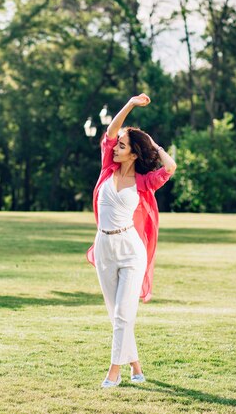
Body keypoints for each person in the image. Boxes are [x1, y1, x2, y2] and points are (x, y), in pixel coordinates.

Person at [86, 93, 177, 388]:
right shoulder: (107, 168)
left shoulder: (143, 182)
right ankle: (137, 368)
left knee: (124, 313)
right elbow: (111, 132)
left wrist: (153, 143)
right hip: (104, 248)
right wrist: (130, 104)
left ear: (134, 154)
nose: (116, 147)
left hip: (130, 251)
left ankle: (115, 372)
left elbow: (170, 167)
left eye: (123, 146)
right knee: (116, 316)